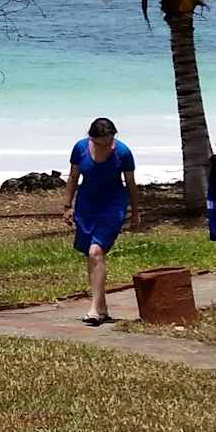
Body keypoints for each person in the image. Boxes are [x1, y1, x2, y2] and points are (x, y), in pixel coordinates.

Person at [63, 116, 138, 325]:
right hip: (87, 205)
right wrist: (67, 206)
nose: (106, 146)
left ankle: (94, 309)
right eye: (99, 143)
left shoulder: (123, 152)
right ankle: (102, 308)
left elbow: (131, 184)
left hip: (112, 206)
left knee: (95, 251)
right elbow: (73, 177)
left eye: (109, 142)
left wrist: (135, 211)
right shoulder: (80, 148)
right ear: (91, 138)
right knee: (92, 256)